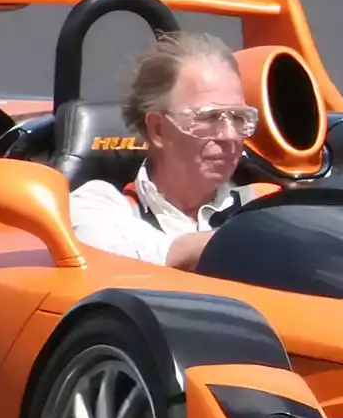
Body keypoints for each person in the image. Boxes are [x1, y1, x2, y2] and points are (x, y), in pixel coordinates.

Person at [67, 30, 269, 270]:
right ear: (158, 129)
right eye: (210, 117)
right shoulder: (99, 206)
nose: (229, 135)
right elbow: (112, 256)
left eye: (238, 118)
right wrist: (254, 241)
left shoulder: (265, 203)